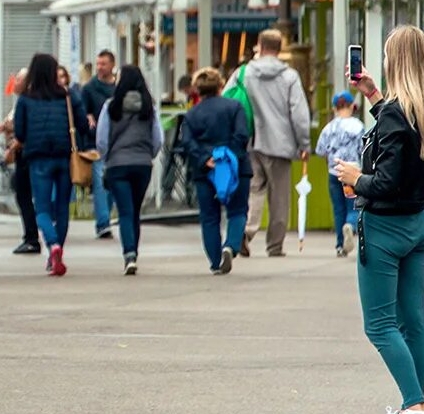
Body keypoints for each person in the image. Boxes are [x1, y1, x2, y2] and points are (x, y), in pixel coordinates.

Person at [334, 26, 424, 414]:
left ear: (395, 59)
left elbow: (384, 183)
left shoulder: (399, 113)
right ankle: (410, 407)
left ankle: (415, 407)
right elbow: (404, 137)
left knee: (380, 325)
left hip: (384, 227)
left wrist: (353, 176)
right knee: (413, 322)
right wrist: (375, 97)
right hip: (419, 224)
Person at [227, 29, 311, 257]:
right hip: (281, 145)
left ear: (259, 46)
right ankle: (274, 245)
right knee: (279, 198)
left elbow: (228, 99)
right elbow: (300, 114)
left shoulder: (242, 73)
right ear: (280, 47)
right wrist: (304, 144)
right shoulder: (290, 76)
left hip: (250, 142)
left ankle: (246, 231)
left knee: (254, 190)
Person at [13, 53, 91, 277]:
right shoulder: (68, 96)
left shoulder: (26, 99)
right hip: (65, 157)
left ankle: (53, 245)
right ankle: (58, 253)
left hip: (38, 158)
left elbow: (19, 132)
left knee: (42, 209)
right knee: (62, 208)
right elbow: (84, 125)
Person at [180, 68, 252, 275]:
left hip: (205, 171)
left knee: (209, 217)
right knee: (238, 211)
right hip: (236, 167)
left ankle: (215, 260)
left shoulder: (192, 114)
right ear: (221, 86)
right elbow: (242, 134)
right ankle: (230, 245)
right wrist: (227, 157)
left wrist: (205, 159)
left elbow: (187, 142)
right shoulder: (235, 107)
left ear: (197, 89)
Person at [95, 65, 164, 275]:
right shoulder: (148, 108)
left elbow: (101, 140)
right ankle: (134, 251)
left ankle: (129, 254)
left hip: (117, 164)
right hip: (142, 165)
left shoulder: (110, 107)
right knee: (135, 211)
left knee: (124, 210)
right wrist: (148, 155)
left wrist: (107, 159)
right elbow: (158, 139)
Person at [316, 91, 366, 257]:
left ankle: (339, 245)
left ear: (334, 108)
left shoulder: (329, 128)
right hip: (352, 173)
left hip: (334, 172)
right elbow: (363, 150)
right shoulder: (358, 126)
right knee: (353, 206)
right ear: (352, 106)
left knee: (338, 209)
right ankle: (350, 227)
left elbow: (321, 150)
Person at [0, 68, 41, 254]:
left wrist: (11, 149)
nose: (14, 82)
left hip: (26, 154)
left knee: (24, 193)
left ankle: (32, 238)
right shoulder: (25, 101)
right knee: (23, 193)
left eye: (18, 79)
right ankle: (33, 236)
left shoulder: (27, 101)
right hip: (26, 153)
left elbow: (23, 132)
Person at [81, 51, 119, 239]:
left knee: (111, 182)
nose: (100, 67)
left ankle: (106, 215)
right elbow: (82, 111)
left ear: (112, 65)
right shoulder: (89, 89)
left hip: (117, 143)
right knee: (100, 182)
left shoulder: (119, 88)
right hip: (95, 143)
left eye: (103, 64)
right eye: (98, 64)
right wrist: (87, 117)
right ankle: (103, 223)